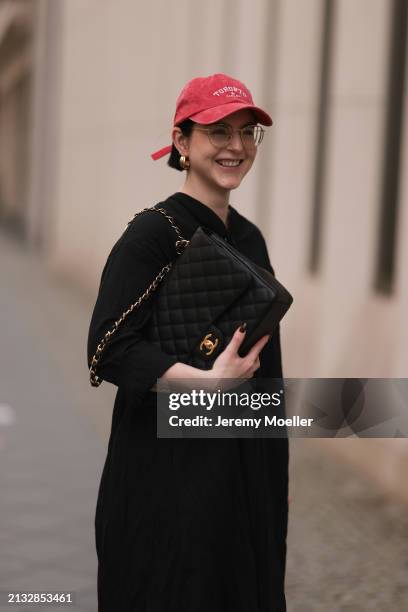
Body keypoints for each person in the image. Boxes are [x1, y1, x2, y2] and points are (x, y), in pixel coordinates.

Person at [87, 72, 289, 611]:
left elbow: (264, 362)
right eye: (218, 132)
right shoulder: (152, 233)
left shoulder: (248, 237)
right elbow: (109, 348)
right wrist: (206, 383)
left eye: (247, 133)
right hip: (164, 469)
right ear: (182, 142)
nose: (237, 147)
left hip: (241, 465)